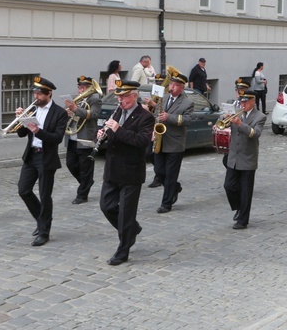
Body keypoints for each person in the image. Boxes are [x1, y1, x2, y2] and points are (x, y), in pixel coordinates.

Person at [97, 80, 155, 265]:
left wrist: (118, 130)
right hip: (113, 169)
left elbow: (141, 142)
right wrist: (102, 136)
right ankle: (131, 229)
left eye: (123, 97)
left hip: (131, 171)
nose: (120, 100)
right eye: (119, 97)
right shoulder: (118, 112)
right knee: (106, 206)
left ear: (133, 96)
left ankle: (123, 251)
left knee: (126, 214)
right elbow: (112, 138)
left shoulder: (145, 117)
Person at [16, 76, 68, 247]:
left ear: (49, 93)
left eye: (39, 94)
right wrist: (21, 120)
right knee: (23, 190)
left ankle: (44, 232)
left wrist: (38, 131)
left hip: (47, 157)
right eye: (34, 93)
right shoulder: (32, 110)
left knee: (45, 195)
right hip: (31, 155)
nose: (36, 97)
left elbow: (57, 138)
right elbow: (22, 135)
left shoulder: (59, 113)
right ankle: (42, 219)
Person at [144, 71, 193, 213]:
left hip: (175, 143)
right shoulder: (163, 98)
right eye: (171, 84)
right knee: (159, 171)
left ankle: (166, 204)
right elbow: (156, 115)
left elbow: (187, 120)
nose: (172, 87)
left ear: (182, 88)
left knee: (171, 175)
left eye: (176, 85)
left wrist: (169, 117)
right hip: (161, 140)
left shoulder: (187, 102)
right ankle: (175, 188)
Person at [223, 89, 266, 229]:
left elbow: (255, 134)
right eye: (242, 101)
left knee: (246, 191)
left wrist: (240, 124)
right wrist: (225, 119)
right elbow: (223, 125)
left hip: (248, 158)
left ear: (253, 101)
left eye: (246, 102)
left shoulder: (260, 116)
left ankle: (243, 221)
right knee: (228, 186)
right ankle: (239, 207)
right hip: (234, 157)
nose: (243, 104)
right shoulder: (237, 113)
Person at [64, 76, 102, 204]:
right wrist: (70, 113)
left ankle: (82, 195)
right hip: (72, 137)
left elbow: (94, 115)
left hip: (85, 137)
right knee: (71, 164)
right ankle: (87, 182)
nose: (81, 90)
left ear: (90, 88)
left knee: (85, 167)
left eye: (84, 87)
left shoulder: (95, 99)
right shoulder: (76, 100)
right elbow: (76, 115)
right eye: (80, 87)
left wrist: (75, 109)